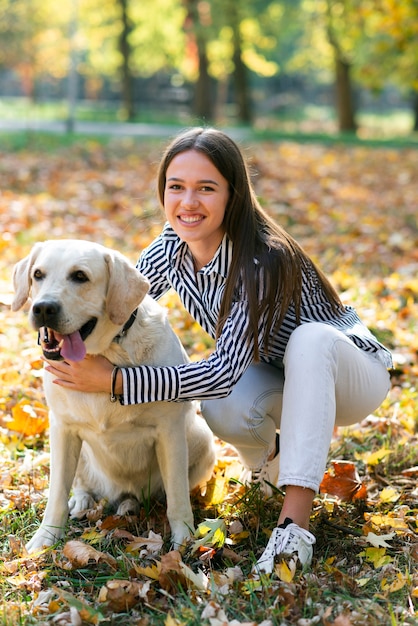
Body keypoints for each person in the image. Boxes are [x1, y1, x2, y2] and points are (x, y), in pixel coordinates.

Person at [44, 127, 392, 573]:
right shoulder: (174, 245)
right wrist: (71, 327)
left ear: (234, 194)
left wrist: (115, 381)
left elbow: (224, 371)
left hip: (352, 373)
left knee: (307, 340)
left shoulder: (263, 259)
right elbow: (124, 302)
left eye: (206, 188)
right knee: (221, 405)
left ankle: (293, 527)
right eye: (176, 187)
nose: (188, 202)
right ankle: (273, 462)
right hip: (283, 374)